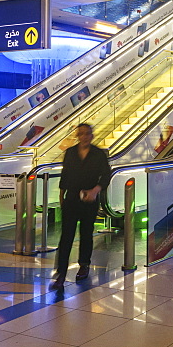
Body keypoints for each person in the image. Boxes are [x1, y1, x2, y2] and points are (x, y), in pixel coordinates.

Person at [50, 123, 111, 289]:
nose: (84, 137)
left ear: (92, 136)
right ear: (77, 136)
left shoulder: (98, 154)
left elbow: (106, 175)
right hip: (71, 199)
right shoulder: (70, 153)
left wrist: (95, 190)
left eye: (87, 134)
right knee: (66, 236)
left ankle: (84, 265)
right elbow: (65, 175)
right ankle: (61, 272)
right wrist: (61, 196)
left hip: (89, 201)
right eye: (81, 134)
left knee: (86, 234)